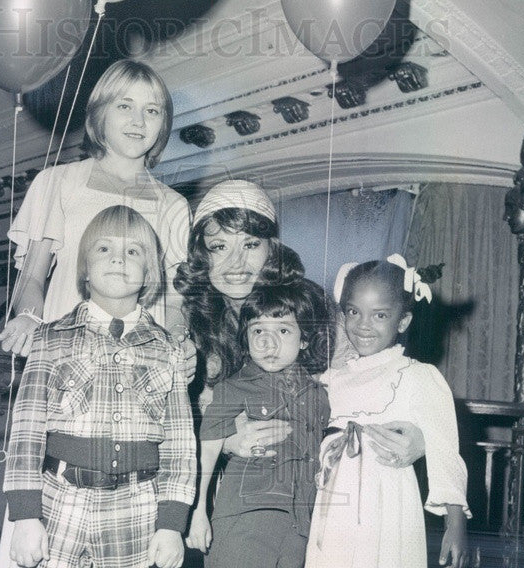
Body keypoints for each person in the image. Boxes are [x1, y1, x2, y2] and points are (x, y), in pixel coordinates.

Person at [0, 59, 192, 568]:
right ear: (99, 115)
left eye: (152, 109)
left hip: (140, 384)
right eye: (125, 105)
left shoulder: (174, 205)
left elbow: (174, 297)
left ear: (163, 124)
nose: (138, 120)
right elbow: (37, 269)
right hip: (66, 367)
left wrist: (180, 349)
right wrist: (22, 317)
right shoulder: (60, 181)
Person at [5, 205, 195, 568]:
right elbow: (26, 430)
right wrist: (25, 515)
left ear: (150, 272)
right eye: (104, 249)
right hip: (59, 503)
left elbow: (179, 444)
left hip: (135, 507)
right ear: (84, 268)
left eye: (133, 251)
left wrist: (171, 523)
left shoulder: (169, 350)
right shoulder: (50, 339)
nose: (118, 259)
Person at [290, 256, 470, 568]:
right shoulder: (330, 379)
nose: (364, 325)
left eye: (380, 314)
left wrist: (455, 522)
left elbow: (446, 449)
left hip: (387, 513)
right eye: (353, 311)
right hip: (334, 515)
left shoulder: (419, 377)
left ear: (404, 320)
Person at [174, 178, 424, 463]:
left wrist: (418, 436)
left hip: (314, 469)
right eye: (219, 246)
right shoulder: (188, 321)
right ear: (201, 254)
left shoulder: (314, 310)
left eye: (250, 244)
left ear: (272, 248)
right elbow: (181, 416)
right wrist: (229, 442)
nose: (235, 263)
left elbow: (373, 381)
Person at [186, 279, 332, 568]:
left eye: (283, 330)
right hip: (244, 523)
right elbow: (206, 453)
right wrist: (196, 514)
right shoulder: (233, 388)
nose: (269, 342)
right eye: (258, 332)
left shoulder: (320, 395)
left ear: (305, 339)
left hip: (298, 525)